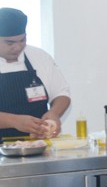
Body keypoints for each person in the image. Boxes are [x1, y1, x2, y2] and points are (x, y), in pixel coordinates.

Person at [0, 8, 69, 139]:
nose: (18, 47)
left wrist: (54, 113)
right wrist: (14, 121)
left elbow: (61, 92)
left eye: (22, 40)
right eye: (10, 43)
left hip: (37, 147)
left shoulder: (39, 56)